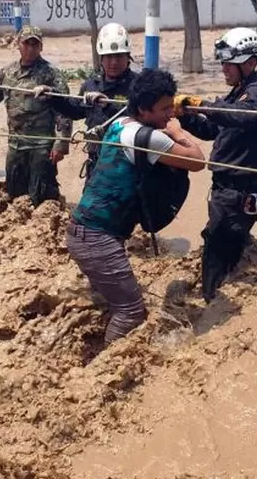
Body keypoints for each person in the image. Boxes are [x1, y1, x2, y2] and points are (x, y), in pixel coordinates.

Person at [67, 69, 205, 345]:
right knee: (131, 311)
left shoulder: (120, 125)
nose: (170, 114)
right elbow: (198, 161)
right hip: (96, 238)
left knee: (113, 303)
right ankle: (103, 374)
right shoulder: (147, 138)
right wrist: (178, 134)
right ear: (144, 109)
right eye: (165, 109)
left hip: (83, 231)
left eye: (172, 107)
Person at [172, 27, 257, 303]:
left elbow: (245, 117)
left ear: (250, 63)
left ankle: (212, 307)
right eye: (223, 63)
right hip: (225, 191)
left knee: (216, 254)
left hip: (239, 191)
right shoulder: (236, 95)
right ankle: (221, 297)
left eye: (229, 63)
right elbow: (211, 130)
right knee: (222, 247)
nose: (223, 69)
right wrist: (186, 115)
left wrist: (204, 104)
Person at [0, 25, 70, 206]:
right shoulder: (8, 72)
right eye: (26, 44)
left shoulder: (51, 74)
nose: (30, 48)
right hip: (15, 143)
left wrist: (61, 144)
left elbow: (65, 109)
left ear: (41, 47)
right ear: (18, 45)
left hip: (42, 145)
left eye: (35, 44)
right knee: (15, 194)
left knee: (42, 195)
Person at [43, 22, 138, 183]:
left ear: (128, 57)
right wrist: (52, 96)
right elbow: (74, 110)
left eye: (119, 56)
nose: (113, 62)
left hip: (127, 163)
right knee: (91, 205)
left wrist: (109, 106)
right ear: (101, 58)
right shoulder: (91, 85)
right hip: (96, 161)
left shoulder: (138, 85)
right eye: (108, 57)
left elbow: (146, 117)